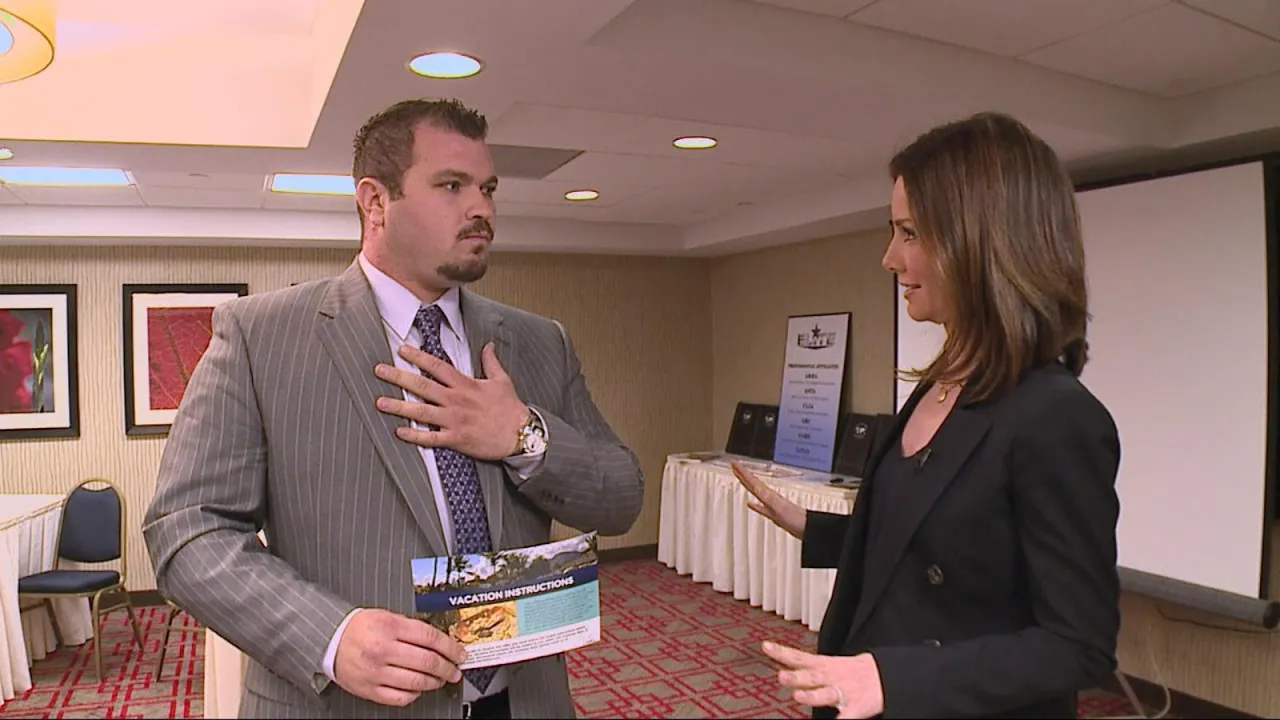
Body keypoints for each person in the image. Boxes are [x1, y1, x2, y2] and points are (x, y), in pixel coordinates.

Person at [143, 97, 645, 719]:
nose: (482, 209)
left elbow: (622, 497)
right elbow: (187, 531)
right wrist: (330, 636)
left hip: (522, 700)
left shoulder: (540, 342)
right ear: (375, 202)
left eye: (488, 188)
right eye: (452, 186)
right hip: (347, 706)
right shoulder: (261, 337)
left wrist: (524, 435)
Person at [734, 112, 1121, 719]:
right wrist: (818, 527)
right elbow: (937, 536)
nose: (890, 258)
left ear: (982, 242)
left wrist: (894, 679)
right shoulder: (941, 384)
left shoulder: (1057, 417)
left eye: (910, 233)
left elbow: (1079, 644)